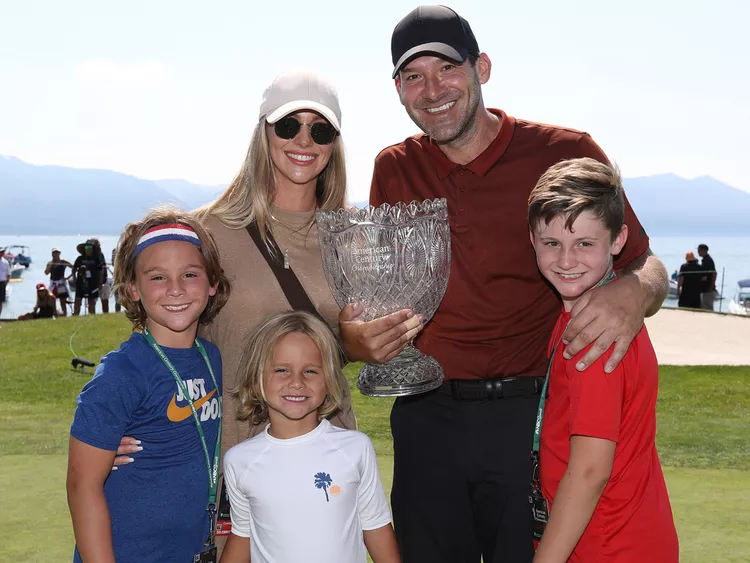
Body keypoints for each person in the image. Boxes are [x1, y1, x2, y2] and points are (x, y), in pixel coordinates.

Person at [337, 6, 670, 562]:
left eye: (446, 68)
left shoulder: (565, 152)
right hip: (427, 416)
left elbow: (646, 263)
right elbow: (380, 297)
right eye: (412, 76)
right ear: (397, 90)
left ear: (482, 68)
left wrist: (633, 292)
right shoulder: (393, 167)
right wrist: (355, 342)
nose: (432, 89)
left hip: (529, 411)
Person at [112, 70, 419, 555]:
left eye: (320, 130)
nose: (304, 141)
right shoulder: (207, 232)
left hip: (323, 457)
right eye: (287, 126)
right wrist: (123, 421)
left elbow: (352, 342)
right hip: (231, 456)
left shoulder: (351, 239)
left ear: (335, 144)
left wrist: (358, 347)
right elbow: (157, 334)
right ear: (263, 133)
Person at [527, 158, 678, 562]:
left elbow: (591, 470)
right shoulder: (584, 312)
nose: (566, 260)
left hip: (609, 545)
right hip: (619, 534)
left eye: (585, 244)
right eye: (552, 243)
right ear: (532, 239)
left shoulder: (594, 334)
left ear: (618, 240)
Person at [67, 208, 231, 562]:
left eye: (190, 274)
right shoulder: (122, 372)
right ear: (133, 289)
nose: (175, 289)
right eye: (157, 277)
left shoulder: (211, 358)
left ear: (213, 283)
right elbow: (82, 486)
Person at [221, 311, 400, 563]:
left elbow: (376, 527)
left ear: (328, 379)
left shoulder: (355, 449)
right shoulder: (239, 460)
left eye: (311, 372)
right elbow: (242, 534)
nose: (296, 382)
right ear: (256, 377)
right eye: (282, 369)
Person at [72, 239, 105, 316]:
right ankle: (75, 315)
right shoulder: (80, 258)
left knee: (91, 302)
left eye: (90, 247)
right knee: (77, 301)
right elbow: (74, 269)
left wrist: (100, 283)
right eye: (86, 247)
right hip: (80, 282)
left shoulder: (96, 259)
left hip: (92, 283)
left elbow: (101, 271)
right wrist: (74, 278)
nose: (88, 249)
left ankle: (92, 317)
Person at [45, 248, 73, 316]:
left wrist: (68, 277)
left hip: (61, 284)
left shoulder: (63, 262)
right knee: (50, 299)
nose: (56, 254)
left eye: (57, 253)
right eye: (54, 253)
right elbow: (46, 272)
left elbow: (73, 267)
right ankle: (52, 314)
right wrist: (51, 265)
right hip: (53, 284)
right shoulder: (50, 263)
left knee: (62, 300)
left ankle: (64, 315)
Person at [92, 238, 111, 313]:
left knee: (104, 301)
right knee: (93, 302)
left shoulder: (100, 254)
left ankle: (106, 315)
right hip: (94, 283)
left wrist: (100, 282)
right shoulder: (92, 255)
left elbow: (102, 268)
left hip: (102, 281)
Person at [697, 243, 717, 310]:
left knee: (707, 307)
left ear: (704, 250)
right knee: (703, 307)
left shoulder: (708, 260)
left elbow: (714, 273)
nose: (698, 252)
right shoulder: (705, 260)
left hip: (708, 289)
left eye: (699, 250)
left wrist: (711, 286)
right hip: (705, 289)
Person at [0, 248, 9, 317]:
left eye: (2, 252)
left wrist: (6, 283)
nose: (1, 253)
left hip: (2, 283)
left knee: (0, 302)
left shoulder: (5, 262)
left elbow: (8, 274)